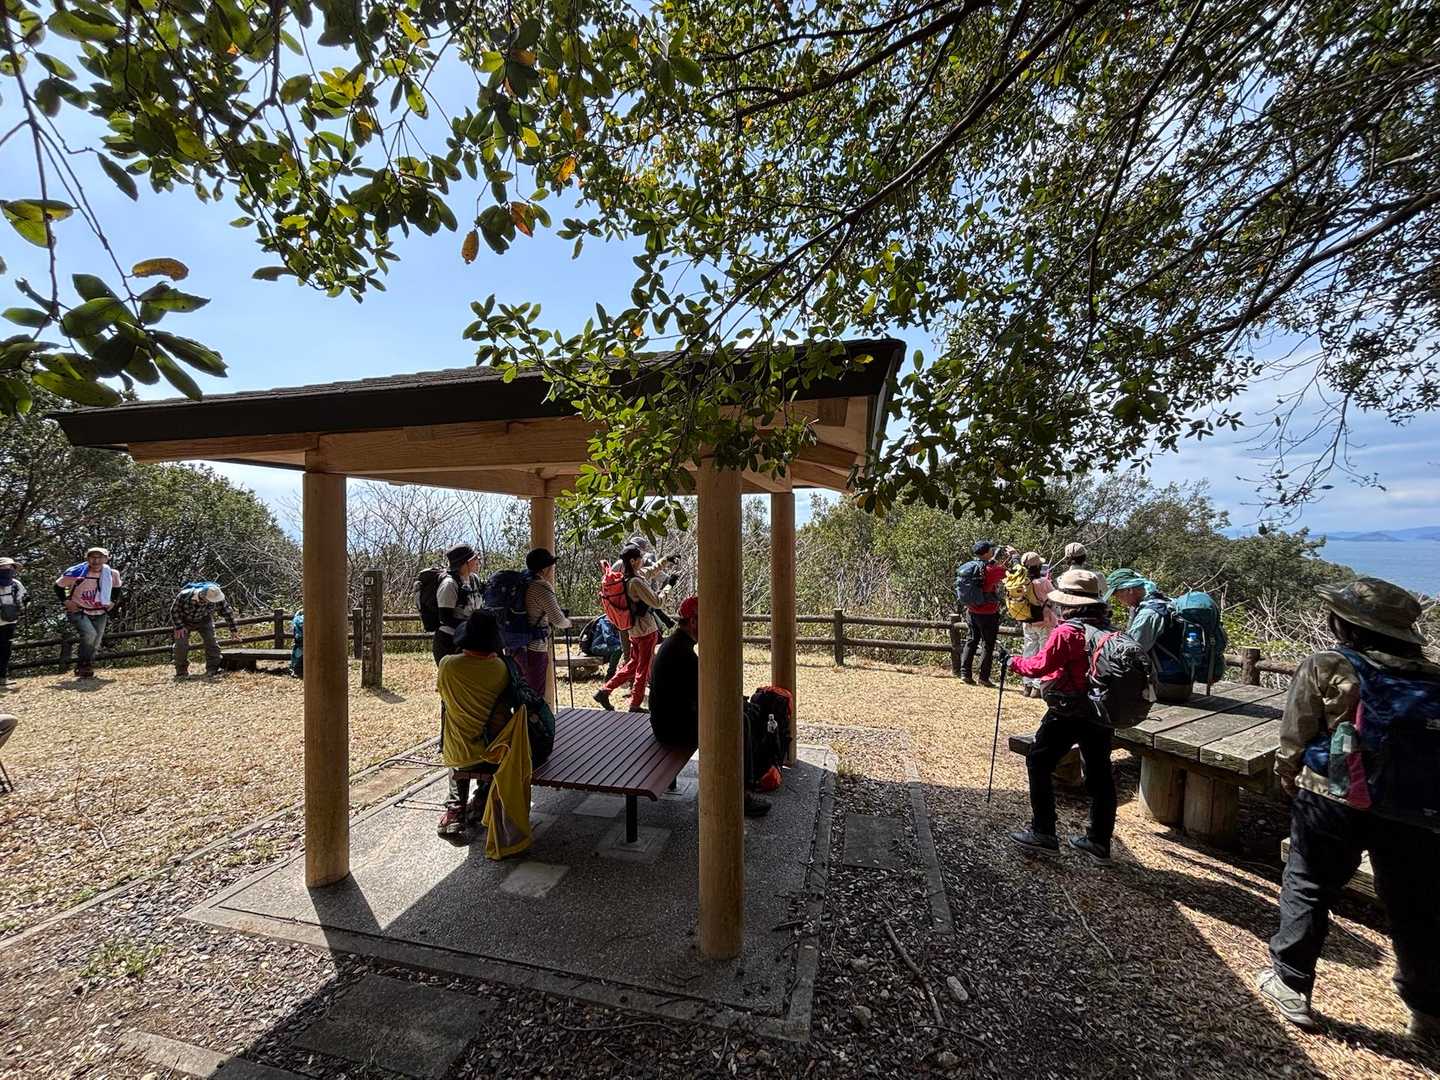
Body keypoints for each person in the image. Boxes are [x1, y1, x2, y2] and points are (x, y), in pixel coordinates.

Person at [1256, 578, 1440, 1042]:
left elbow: (1296, 731)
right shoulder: (1432, 678)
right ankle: (1426, 1006)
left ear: (1348, 624)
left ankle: (1290, 983)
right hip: (1415, 807)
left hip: (1332, 793)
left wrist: (1287, 773)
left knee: (1308, 884)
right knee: (1415, 904)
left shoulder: (1329, 663)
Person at [1006, 568, 1117, 863]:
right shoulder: (1108, 629)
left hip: (1068, 709)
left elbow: (1040, 665)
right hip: (1101, 711)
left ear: (1068, 601)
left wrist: (1013, 662)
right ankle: (1099, 841)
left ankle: (1043, 832)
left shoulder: (1068, 632)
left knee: (1038, 760)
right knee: (1100, 773)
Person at [647, 596, 770, 817]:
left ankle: (744, 784)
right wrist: (738, 705)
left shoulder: (677, 644)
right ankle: (741, 795)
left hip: (668, 721)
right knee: (739, 723)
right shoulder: (682, 652)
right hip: (672, 729)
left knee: (741, 716)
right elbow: (711, 696)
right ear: (694, 621)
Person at [436, 610, 533, 854]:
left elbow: (444, 697)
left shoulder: (447, 665)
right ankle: (480, 799)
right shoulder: (501, 669)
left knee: (458, 759)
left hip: (459, 752)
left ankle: (455, 809)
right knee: (482, 758)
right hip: (495, 753)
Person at [595, 544, 669, 712]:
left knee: (633, 665)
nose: (643, 560)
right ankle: (635, 704)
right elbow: (657, 602)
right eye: (640, 558)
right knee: (643, 668)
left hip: (634, 630)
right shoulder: (635, 582)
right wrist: (669, 586)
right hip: (646, 630)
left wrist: (666, 560)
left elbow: (651, 571)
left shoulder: (626, 577)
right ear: (633, 561)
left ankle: (604, 691)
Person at [1104, 568, 1193, 704]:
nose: (1118, 600)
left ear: (1129, 590)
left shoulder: (1148, 614)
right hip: (1180, 683)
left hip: (1167, 687)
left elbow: (1132, 652)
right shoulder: (1164, 602)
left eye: (1117, 594)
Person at [54, 547, 123, 678]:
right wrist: (66, 601)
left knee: (96, 640)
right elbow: (58, 586)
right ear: (87, 558)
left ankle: (86, 665)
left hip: (100, 610)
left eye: (100, 557)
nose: (96, 561)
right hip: (79, 609)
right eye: (92, 557)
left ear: (106, 559)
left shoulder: (112, 574)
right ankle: (83, 665)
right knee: (90, 634)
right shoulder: (76, 573)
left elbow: (117, 587)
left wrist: (112, 601)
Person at [520, 547, 572, 698]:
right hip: (535, 647)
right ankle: (533, 714)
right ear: (544, 569)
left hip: (515, 646)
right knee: (535, 693)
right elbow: (558, 620)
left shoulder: (522, 583)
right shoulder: (541, 586)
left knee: (520, 691)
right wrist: (568, 623)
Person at [960, 541, 1009, 687]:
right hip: (988, 612)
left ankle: (965, 673)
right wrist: (1012, 557)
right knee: (988, 644)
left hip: (971, 610)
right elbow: (1007, 573)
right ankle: (983, 677)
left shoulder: (970, 567)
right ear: (987, 552)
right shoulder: (992, 569)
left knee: (971, 640)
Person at [170, 583, 238, 678]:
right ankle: (181, 671)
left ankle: (213, 668)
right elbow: (174, 610)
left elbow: (227, 612)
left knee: (211, 642)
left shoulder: (217, 597)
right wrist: (179, 626)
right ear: (202, 595)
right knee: (181, 645)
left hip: (204, 620)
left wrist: (233, 630)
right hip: (183, 621)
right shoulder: (184, 595)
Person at [433, 543, 483, 666]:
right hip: (448, 642)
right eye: (474, 558)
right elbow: (445, 617)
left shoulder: (474, 580)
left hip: (468, 639)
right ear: (465, 563)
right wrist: (471, 626)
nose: (477, 561)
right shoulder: (449, 584)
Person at [1015, 552, 1052, 698]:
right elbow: (1053, 598)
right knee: (1043, 652)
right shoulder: (1043, 582)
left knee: (1029, 651)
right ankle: (1037, 686)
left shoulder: (1020, 582)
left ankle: (1027, 684)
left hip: (1027, 620)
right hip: (1044, 621)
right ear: (1038, 566)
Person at [0, 558, 27, 691]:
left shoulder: (16, 584)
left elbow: (23, 599)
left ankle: (2, 677)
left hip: (10, 622)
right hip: (9, 620)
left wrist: (24, 604)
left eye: (10, 567)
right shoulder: (16, 584)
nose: (7, 570)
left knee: (6, 650)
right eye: (4, 567)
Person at [580, 614, 624, 680]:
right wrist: (623, 644)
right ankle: (610, 675)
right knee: (618, 649)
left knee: (623, 648)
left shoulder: (618, 619)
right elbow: (609, 638)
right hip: (597, 647)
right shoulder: (606, 620)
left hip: (608, 646)